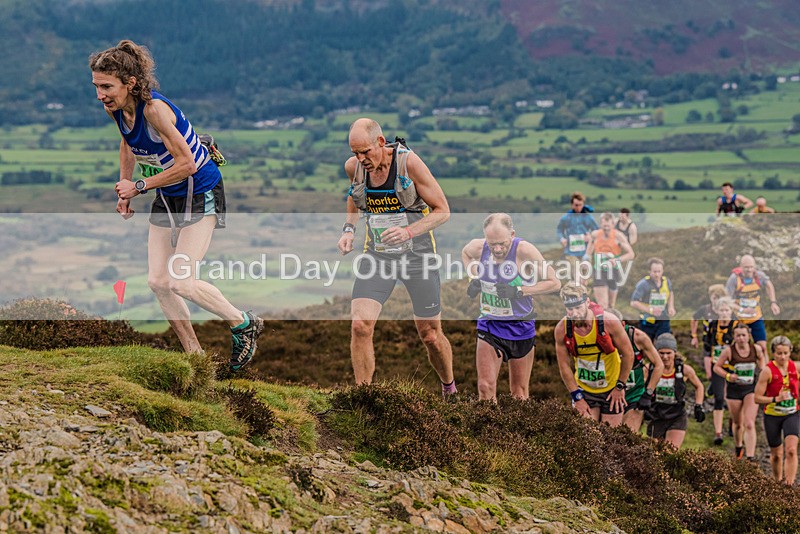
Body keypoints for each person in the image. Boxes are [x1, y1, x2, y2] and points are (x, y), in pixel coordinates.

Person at [90, 40, 263, 370]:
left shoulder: (155, 111)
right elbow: (128, 144)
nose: (100, 94)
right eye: (97, 86)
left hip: (201, 192)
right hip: (168, 196)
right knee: (158, 282)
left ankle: (243, 322)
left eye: (107, 86)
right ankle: (195, 358)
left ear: (131, 83)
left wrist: (139, 185)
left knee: (181, 281)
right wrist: (124, 191)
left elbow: (188, 165)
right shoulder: (114, 108)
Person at [337, 118, 455, 396]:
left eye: (365, 151)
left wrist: (408, 232)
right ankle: (364, 396)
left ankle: (449, 388)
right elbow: (354, 197)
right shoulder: (354, 168)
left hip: (418, 255)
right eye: (355, 153)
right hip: (378, 257)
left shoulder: (408, 163)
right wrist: (348, 230)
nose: (360, 159)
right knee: (360, 325)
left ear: (380, 142)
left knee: (430, 335)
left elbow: (442, 210)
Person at [462, 213, 560, 401]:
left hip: (520, 327)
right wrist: (473, 277)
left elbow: (555, 283)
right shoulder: (478, 247)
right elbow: (465, 253)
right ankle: (488, 428)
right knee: (484, 386)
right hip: (490, 324)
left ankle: (518, 429)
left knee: (519, 393)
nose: (497, 249)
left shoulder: (524, 251)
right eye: (492, 244)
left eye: (502, 244)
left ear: (512, 235)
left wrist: (519, 291)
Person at [554, 283, 634, 427]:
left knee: (610, 439)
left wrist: (620, 387)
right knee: (586, 437)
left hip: (611, 388)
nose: (575, 313)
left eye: (578, 307)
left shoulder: (609, 322)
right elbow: (564, 366)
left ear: (587, 302)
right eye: (570, 309)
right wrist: (577, 397)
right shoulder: (561, 329)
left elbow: (628, 354)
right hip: (585, 390)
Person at [605, 309, 664, 434]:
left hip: (634, 396)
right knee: (608, 438)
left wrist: (648, 394)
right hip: (609, 395)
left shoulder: (638, 337)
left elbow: (659, 365)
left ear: (623, 324)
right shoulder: (599, 338)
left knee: (628, 437)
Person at [714, 323, 767, 460]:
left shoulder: (756, 349)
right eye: (738, 335)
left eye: (744, 335)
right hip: (734, 390)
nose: (741, 338)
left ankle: (750, 457)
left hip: (750, 389)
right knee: (738, 424)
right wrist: (728, 376)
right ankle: (738, 447)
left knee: (749, 423)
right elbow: (717, 367)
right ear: (734, 337)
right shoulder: (729, 351)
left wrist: (762, 371)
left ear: (749, 335)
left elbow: (762, 361)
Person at [647, 333, 705, 449]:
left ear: (675, 353)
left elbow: (699, 386)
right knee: (655, 453)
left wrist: (698, 405)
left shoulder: (684, 370)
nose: (665, 357)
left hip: (676, 415)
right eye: (661, 353)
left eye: (668, 353)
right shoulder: (649, 369)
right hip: (656, 415)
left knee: (671, 452)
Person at [754, 336, 799, 485]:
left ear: (790, 351)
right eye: (779, 353)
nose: (783, 357)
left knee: (791, 450)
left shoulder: (796, 367)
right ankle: (778, 482)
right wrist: (775, 399)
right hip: (772, 415)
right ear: (773, 353)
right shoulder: (767, 371)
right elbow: (757, 398)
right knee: (776, 455)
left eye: (786, 353)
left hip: (792, 414)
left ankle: (788, 485)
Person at [704, 297, 742, 445]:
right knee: (719, 398)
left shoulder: (736, 326)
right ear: (717, 311)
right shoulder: (712, 325)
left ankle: (733, 424)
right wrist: (709, 370)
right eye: (722, 310)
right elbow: (706, 347)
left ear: (731, 311)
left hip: (733, 367)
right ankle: (718, 433)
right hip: (717, 366)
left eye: (727, 310)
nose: (724, 313)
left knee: (733, 399)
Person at [726, 254, 781, 354]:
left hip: (755, 316)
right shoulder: (734, 279)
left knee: (762, 346)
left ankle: (764, 368)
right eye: (746, 267)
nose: (749, 270)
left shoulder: (759, 276)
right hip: (739, 317)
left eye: (751, 267)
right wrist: (742, 309)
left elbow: (769, 285)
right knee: (738, 347)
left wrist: (773, 302)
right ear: (741, 267)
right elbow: (727, 300)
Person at [585, 212, 634, 309]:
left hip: (613, 271)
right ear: (600, 225)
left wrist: (617, 260)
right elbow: (588, 253)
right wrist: (586, 270)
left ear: (613, 224)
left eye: (608, 225)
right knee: (603, 305)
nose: (606, 228)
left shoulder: (618, 236)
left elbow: (631, 254)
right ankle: (602, 322)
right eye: (604, 226)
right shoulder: (595, 235)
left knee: (611, 306)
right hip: (599, 271)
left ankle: (610, 322)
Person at [629, 257, 676, 341]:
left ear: (663, 271)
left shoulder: (666, 281)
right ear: (649, 271)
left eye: (659, 271)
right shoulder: (643, 284)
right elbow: (633, 302)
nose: (657, 274)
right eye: (654, 272)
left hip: (663, 317)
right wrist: (650, 310)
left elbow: (670, 293)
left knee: (664, 341)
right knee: (646, 343)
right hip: (647, 320)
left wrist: (671, 307)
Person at [556, 192, 598, 277]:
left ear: (583, 204)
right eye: (576, 205)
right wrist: (562, 239)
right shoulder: (566, 217)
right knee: (576, 275)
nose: (578, 207)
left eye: (580, 205)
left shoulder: (588, 217)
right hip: (570, 252)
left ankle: (585, 289)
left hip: (585, 251)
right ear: (572, 205)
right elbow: (559, 230)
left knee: (586, 277)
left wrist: (590, 236)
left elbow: (597, 231)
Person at [690, 284, 727, 352]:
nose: (716, 301)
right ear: (710, 297)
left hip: (724, 342)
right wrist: (694, 336)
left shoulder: (728, 310)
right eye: (714, 298)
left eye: (719, 298)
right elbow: (694, 318)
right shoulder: (705, 309)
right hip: (708, 341)